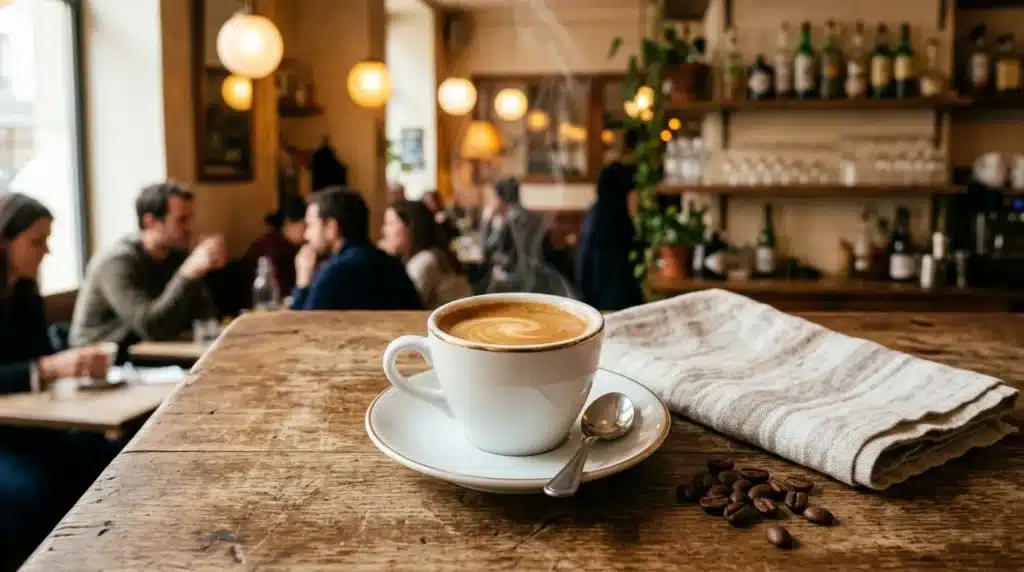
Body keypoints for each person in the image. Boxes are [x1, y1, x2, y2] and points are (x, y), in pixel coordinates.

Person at [0, 193, 119, 569]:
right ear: (4, 241)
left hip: (30, 427)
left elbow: (37, 358)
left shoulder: (26, 293)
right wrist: (50, 368)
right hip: (7, 435)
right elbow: (39, 366)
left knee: (109, 459)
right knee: (37, 491)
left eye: (48, 240)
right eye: (36, 241)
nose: (46, 252)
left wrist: (74, 367)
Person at [70, 182, 223, 349]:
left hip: (152, 353)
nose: (191, 228)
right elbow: (150, 327)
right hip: (106, 360)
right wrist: (188, 274)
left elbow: (205, 316)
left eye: (191, 218)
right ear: (150, 222)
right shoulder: (117, 262)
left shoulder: (177, 254)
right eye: (182, 220)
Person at [291, 186, 422, 311]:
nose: (306, 235)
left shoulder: (335, 273)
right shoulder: (392, 264)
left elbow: (300, 327)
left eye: (310, 225)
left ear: (331, 228)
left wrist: (302, 283)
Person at [575, 128, 644, 311]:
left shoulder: (595, 214)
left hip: (593, 300)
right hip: (615, 302)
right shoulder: (622, 227)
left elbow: (582, 264)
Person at [379, 200, 470, 310]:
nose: (384, 230)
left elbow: (401, 307)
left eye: (390, 223)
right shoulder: (423, 257)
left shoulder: (424, 261)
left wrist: (385, 259)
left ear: (410, 228)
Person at [243, 195, 306, 295]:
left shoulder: (296, 246)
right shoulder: (269, 247)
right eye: (305, 226)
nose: (308, 233)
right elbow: (278, 290)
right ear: (288, 223)